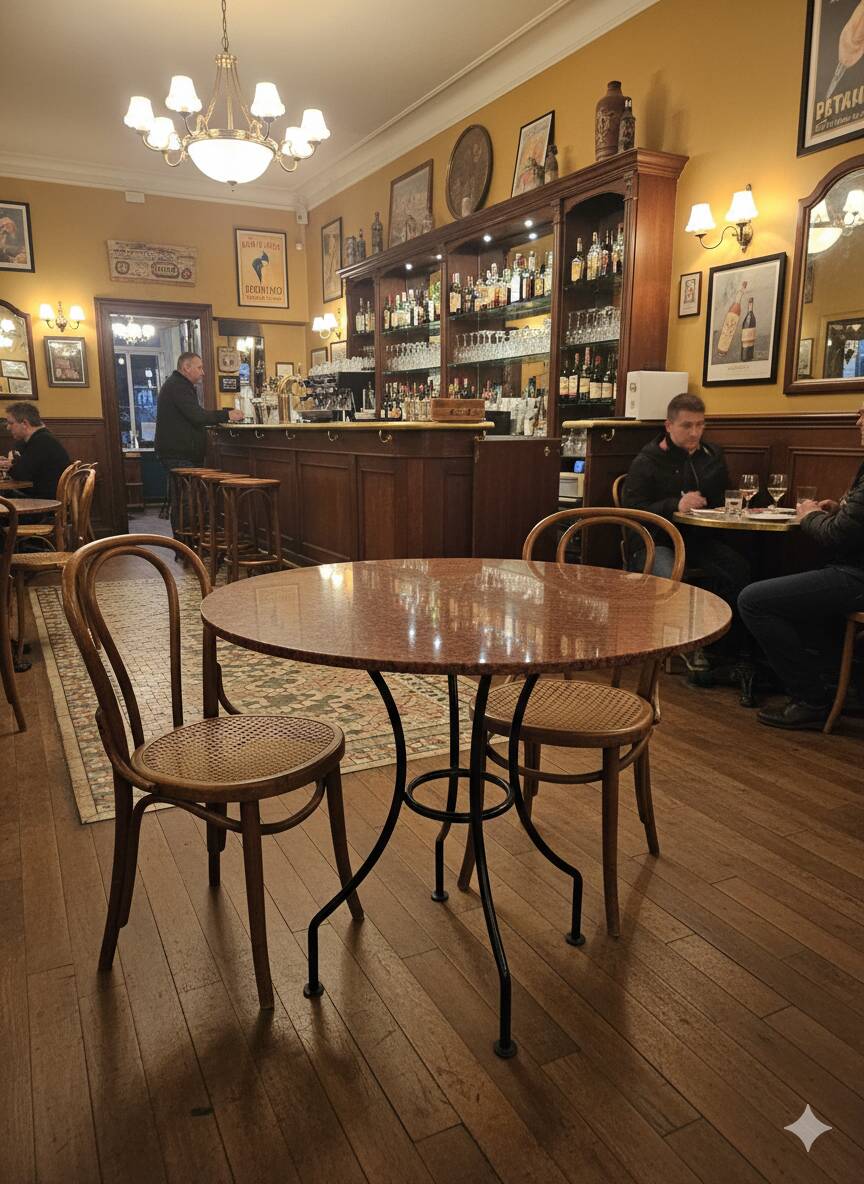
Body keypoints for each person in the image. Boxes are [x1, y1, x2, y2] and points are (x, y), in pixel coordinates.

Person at [739, 405, 864, 730]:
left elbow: (837, 536)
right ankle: (836, 686)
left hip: (857, 577)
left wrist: (809, 515)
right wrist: (839, 511)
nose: (858, 421)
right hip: (853, 570)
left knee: (753, 600)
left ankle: (810, 698)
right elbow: (852, 526)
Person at [622, 392, 750, 667]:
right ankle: (676, 645)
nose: (695, 432)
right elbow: (632, 509)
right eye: (687, 425)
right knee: (671, 578)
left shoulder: (712, 455)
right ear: (669, 426)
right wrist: (675, 504)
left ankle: (720, 648)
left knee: (738, 569)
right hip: (655, 540)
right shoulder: (648, 460)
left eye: (701, 425)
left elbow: (722, 496)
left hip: (698, 538)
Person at [155, 352, 242, 537]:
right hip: (178, 455)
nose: (203, 372)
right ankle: (186, 546)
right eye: (199, 367)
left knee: (184, 500)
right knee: (185, 501)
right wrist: (227, 415)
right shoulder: (178, 386)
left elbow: (195, 415)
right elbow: (197, 416)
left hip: (177, 454)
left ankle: (186, 545)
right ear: (186, 368)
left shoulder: (178, 385)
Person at [0, 402, 71, 498]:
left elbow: (21, 475)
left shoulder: (41, 441)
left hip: (47, 502)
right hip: (47, 496)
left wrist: (9, 465)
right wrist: (11, 463)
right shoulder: (41, 438)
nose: (8, 427)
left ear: (25, 423)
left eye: (11, 423)